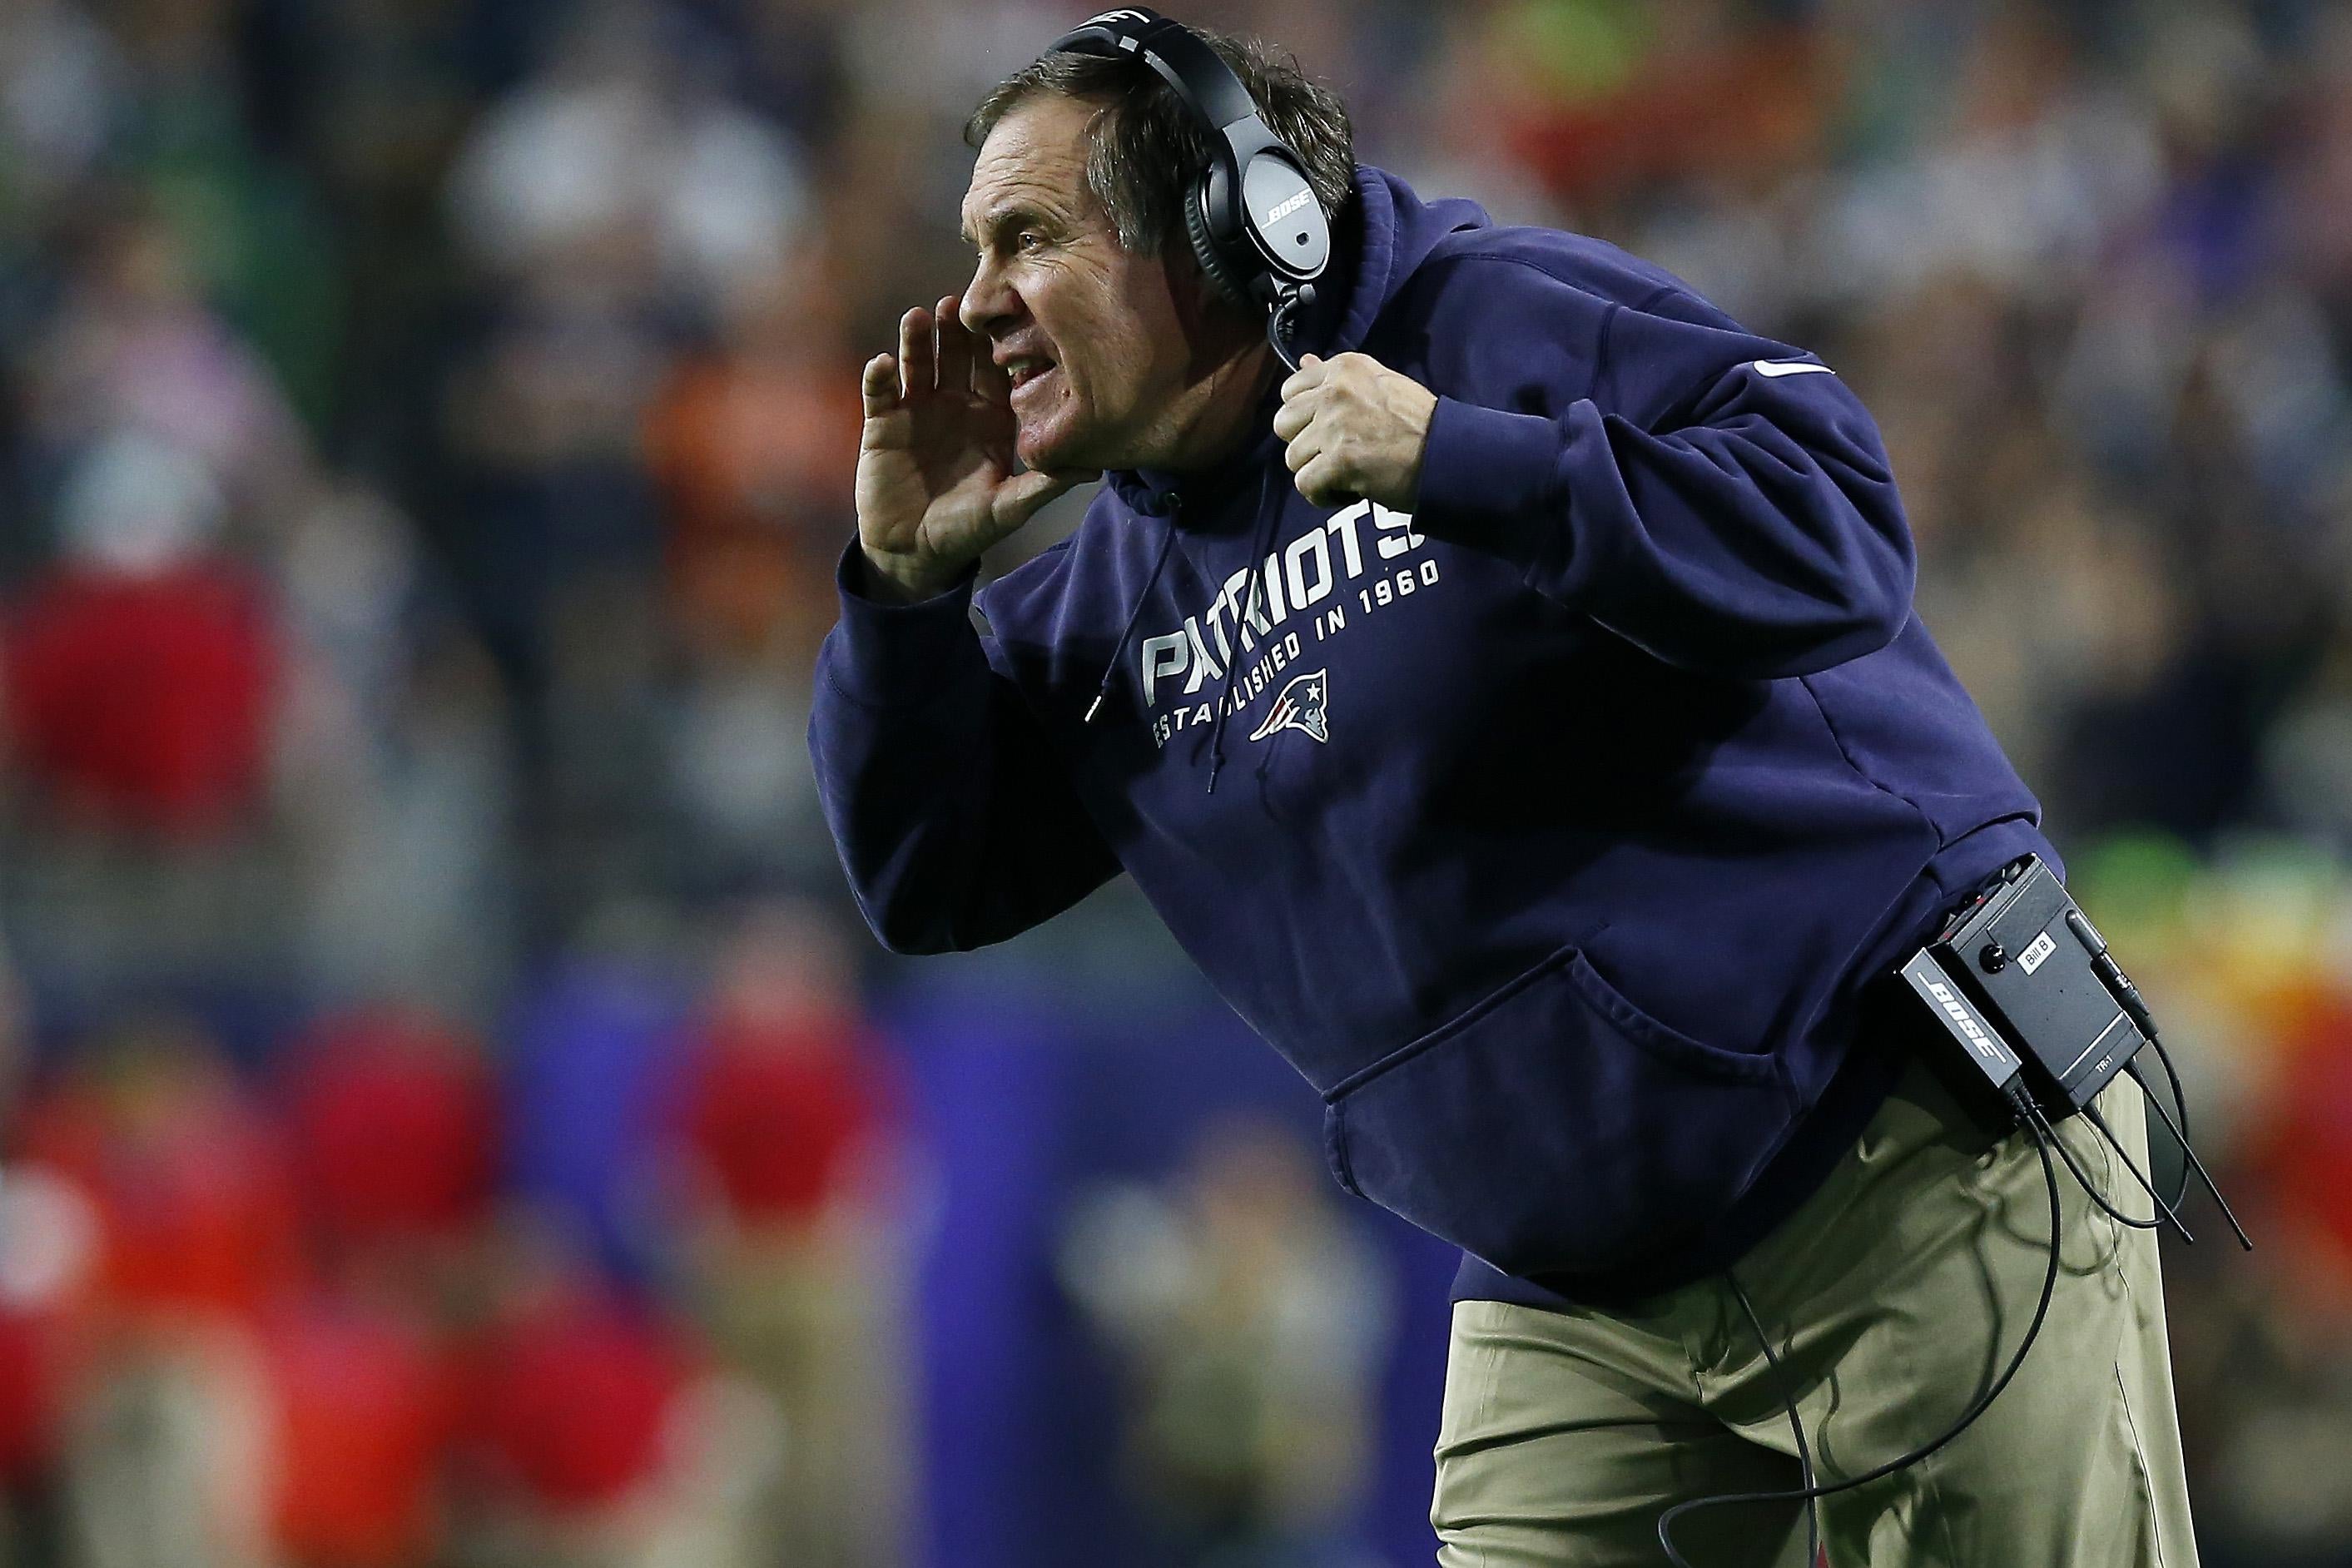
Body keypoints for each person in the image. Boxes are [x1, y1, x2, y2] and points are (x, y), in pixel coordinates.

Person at [807, 13, 2198, 1566]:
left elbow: (1839, 534)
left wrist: (1461, 458)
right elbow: (934, 880)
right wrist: (904, 593)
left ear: (1226, 224)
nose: (977, 303)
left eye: (1029, 239)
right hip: (1570, 1285)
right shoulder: (1098, 607)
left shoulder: (1495, 319)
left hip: (1894, 1140)